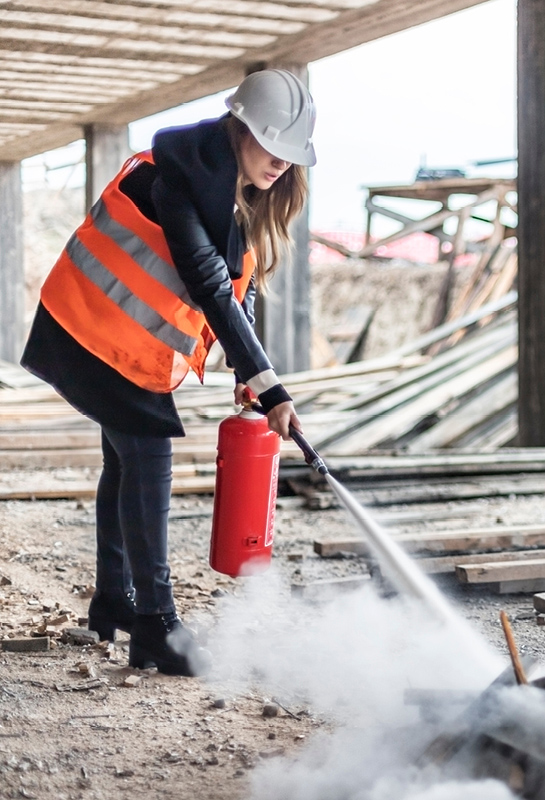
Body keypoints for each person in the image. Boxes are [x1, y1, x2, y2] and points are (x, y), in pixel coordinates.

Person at [20, 69, 316, 677]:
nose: (281, 163)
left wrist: (244, 366)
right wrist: (269, 385)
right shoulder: (180, 179)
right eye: (272, 146)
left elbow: (242, 280)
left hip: (112, 336)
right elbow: (208, 282)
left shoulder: (227, 180)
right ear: (241, 128)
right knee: (149, 456)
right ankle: (155, 626)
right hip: (91, 330)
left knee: (124, 462)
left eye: (291, 155)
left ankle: (114, 599)